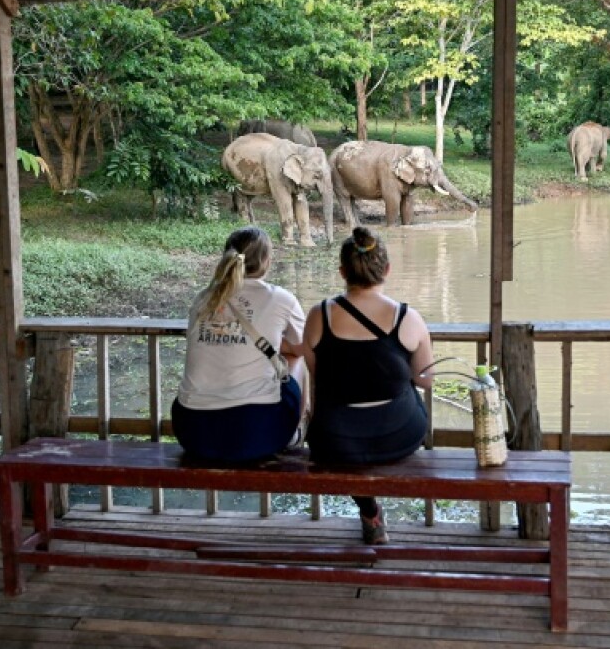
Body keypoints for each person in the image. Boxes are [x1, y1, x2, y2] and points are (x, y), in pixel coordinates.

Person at [300, 226, 433, 545]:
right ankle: (371, 510)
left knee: (346, 453)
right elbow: (426, 379)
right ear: (386, 270)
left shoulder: (320, 315)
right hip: (399, 432)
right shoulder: (407, 317)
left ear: (342, 272)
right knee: (408, 392)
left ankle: (369, 509)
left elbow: (315, 372)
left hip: (335, 438)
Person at [173, 227, 307, 462]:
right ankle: (297, 433)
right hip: (253, 434)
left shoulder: (204, 298)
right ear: (267, 261)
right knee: (297, 361)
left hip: (192, 433)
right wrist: (277, 345)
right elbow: (302, 347)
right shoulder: (280, 299)